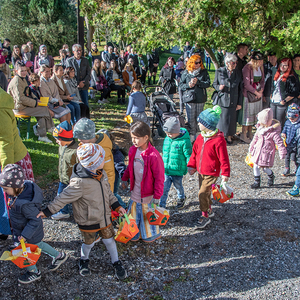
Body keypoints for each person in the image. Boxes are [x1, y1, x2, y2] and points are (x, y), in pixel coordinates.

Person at [37, 143, 127, 279]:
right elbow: (63, 197)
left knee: (109, 240)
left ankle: (116, 261)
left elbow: (108, 193)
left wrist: (116, 206)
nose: (105, 161)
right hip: (88, 220)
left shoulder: (100, 174)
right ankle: (84, 260)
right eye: (102, 159)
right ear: (93, 163)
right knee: (88, 243)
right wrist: (48, 211)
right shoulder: (79, 183)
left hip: (104, 218)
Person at [0, 164, 68, 284]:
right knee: (39, 245)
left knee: (25, 252)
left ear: (15, 187)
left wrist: (25, 235)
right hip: (29, 233)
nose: (4, 192)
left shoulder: (24, 204)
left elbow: (35, 220)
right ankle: (59, 255)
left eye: (5, 189)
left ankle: (33, 272)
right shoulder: (22, 191)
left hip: (27, 234)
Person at [187, 105, 230, 228]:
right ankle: (209, 209)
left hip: (212, 172)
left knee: (202, 193)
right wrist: (192, 165)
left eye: (200, 122)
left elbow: (224, 158)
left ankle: (204, 215)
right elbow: (195, 152)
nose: (198, 124)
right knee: (205, 192)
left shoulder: (218, 140)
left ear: (207, 124)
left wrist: (225, 173)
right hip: (201, 172)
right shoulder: (200, 137)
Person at [121, 121, 164, 242]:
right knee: (134, 214)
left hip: (148, 195)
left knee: (147, 216)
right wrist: (125, 178)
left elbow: (159, 178)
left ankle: (149, 235)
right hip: (136, 192)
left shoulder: (154, 156)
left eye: (136, 138)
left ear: (146, 137)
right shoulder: (133, 151)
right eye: (132, 138)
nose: (134, 141)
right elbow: (130, 167)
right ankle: (134, 234)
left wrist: (157, 195)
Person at [7, 62, 54, 143]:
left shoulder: (22, 78)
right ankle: (50, 128)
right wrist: (36, 103)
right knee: (43, 110)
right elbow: (20, 99)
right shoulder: (17, 81)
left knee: (42, 111)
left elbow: (29, 92)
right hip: (18, 108)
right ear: (16, 71)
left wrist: (37, 100)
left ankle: (42, 135)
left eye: (25, 70)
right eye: (21, 71)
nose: (24, 72)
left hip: (24, 105)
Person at [73, 118, 115, 192]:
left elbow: (109, 173)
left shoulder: (103, 151)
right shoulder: (84, 145)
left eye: (81, 137)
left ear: (88, 136)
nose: (79, 140)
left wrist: (109, 194)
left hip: (98, 189)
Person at [249, 108, 286, 189]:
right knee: (255, 166)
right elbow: (255, 139)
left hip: (266, 153)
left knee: (265, 169)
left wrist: (282, 152)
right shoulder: (259, 129)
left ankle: (271, 176)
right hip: (258, 151)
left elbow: (279, 143)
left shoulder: (273, 133)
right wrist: (251, 147)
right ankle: (257, 182)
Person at [160, 117, 192, 209]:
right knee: (164, 189)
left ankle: (181, 197)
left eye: (171, 133)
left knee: (178, 186)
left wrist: (190, 165)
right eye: (167, 134)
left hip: (177, 170)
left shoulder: (184, 141)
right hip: (166, 170)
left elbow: (188, 154)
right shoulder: (167, 139)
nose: (169, 135)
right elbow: (165, 153)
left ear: (177, 131)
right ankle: (162, 206)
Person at [50, 122, 79, 220]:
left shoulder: (76, 150)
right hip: (63, 178)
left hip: (74, 180)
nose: (56, 142)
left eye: (57, 140)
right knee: (61, 196)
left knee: (78, 199)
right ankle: (63, 211)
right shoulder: (62, 146)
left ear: (64, 139)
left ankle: (81, 213)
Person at [179, 54, 211, 143]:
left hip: (200, 98)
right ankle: (192, 134)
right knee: (190, 118)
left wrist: (198, 82)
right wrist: (188, 85)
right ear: (191, 63)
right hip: (189, 98)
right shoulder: (186, 73)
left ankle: (198, 134)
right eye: (196, 63)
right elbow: (181, 85)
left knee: (199, 117)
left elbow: (208, 83)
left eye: (199, 62)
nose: (197, 64)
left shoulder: (203, 72)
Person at [212, 53, 243, 144]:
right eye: (233, 63)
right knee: (223, 119)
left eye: (235, 63)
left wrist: (239, 103)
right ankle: (222, 136)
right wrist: (219, 88)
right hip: (223, 98)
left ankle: (229, 136)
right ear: (227, 63)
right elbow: (214, 84)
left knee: (231, 119)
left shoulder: (237, 73)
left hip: (234, 98)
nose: (235, 64)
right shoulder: (220, 71)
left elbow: (240, 88)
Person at [240, 51, 265, 143]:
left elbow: (262, 80)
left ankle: (250, 133)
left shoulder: (261, 68)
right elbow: (246, 84)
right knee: (247, 115)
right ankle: (243, 134)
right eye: (259, 60)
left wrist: (261, 90)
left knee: (254, 114)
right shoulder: (247, 68)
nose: (261, 62)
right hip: (249, 94)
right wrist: (256, 93)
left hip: (258, 93)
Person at [270, 58, 299, 128]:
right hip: (273, 101)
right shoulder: (278, 74)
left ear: (289, 66)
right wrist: (271, 96)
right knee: (273, 121)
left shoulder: (291, 77)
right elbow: (273, 87)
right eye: (281, 65)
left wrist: (284, 101)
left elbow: (294, 92)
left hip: (282, 102)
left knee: (280, 122)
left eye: (285, 65)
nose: (282, 67)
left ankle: (280, 137)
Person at [281, 103, 300, 176]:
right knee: (287, 157)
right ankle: (287, 169)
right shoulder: (287, 122)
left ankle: (297, 167)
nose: (291, 120)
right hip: (287, 143)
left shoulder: (298, 125)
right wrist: (283, 133)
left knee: (294, 157)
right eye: (290, 118)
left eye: (293, 118)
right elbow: (284, 129)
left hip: (295, 145)